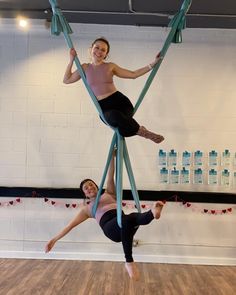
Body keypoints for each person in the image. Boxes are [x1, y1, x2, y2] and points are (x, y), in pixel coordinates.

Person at [45, 150, 165, 281]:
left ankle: (153, 212)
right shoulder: (87, 209)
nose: (89, 187)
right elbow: (69, 226)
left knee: (133, 217)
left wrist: (113, 157)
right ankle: (129, 261)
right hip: (110, 228)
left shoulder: (109, 193)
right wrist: (54, 240)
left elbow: (110, 175)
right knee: (126, 219)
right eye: (86, 187)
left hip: (123, 222)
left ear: (96, 186)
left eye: (91, 184)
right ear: (85, 194)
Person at [63, 37, 164, 144]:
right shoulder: (84, 67)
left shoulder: (110, 66)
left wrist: (153, 63)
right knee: (120, 127)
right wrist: (71, 60)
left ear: (106, 54)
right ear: (91, 49)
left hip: (121, 103)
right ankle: (142, 131)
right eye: (97, 48)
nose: (99, 51)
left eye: (103, 50)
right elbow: (67, 80)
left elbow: (134, 74)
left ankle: (142, 132)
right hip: (104, 107)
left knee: (122, 125)